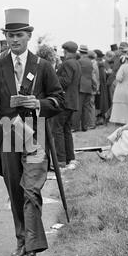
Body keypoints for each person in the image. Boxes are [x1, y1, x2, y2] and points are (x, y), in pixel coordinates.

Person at [0, 8, 64, 256]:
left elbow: (59, 100)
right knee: (15, 191)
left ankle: (32, 252)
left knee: (31, 190)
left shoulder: (43, 66)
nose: (14, 40)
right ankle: (21, 238)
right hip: (6, 131)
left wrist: (39, 103)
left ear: (29, 36)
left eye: (19, 35)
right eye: (10, 35)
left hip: (34, 131)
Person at [52, 41, 81, 170]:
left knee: (57, 130)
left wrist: (53, 78)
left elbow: (65, 81)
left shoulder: (68, 63)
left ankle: (60, 159)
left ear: (66, 51)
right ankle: (70, 157)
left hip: (64, 101)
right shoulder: (76, 63)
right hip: (72, 101)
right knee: (66, 130)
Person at [110, 50, 128, 125]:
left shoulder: (123, 66)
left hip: (122, 87)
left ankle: (120, 122)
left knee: (121, 106)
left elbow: (118, 78)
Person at [72, 45, 95, 132]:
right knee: (86, 108)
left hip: (80, 86)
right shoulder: (90, 61)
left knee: (78, 107)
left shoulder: (79, 61)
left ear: (80, 52)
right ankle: (84, 127)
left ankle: (75, 126)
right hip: (88, 86)